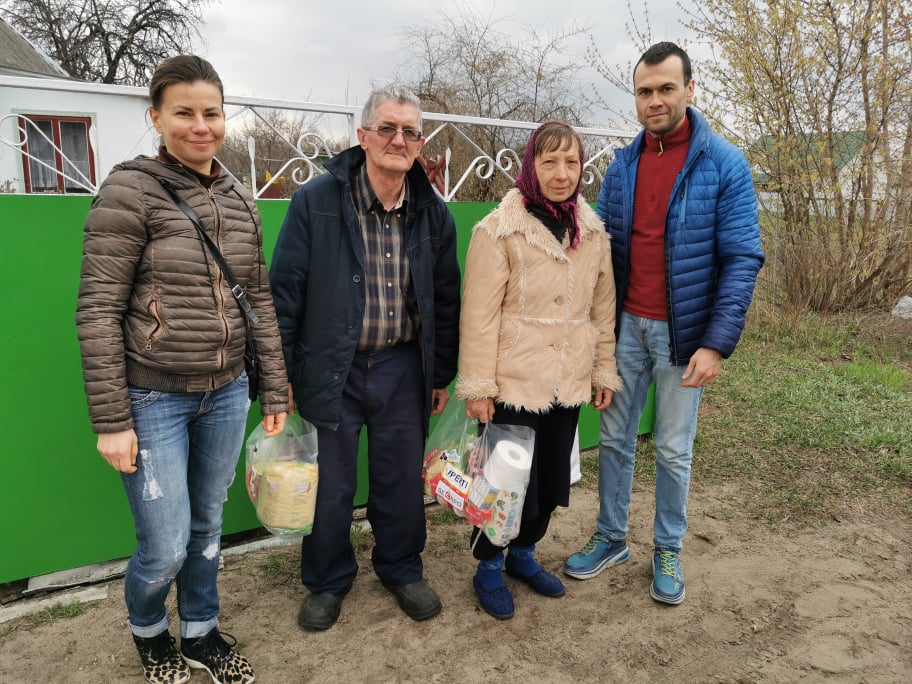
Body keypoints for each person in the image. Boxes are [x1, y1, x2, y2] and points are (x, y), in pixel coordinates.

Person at [75, 55, 288, 684]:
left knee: (208, 528)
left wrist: (273, 385)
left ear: (225, 117)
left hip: (227, 394)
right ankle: (150, 632)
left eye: (212, 113)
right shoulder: (127, 190)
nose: (202, 126)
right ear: (156, 117)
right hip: (152, 399)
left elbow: (261, 303)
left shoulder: (238, 197)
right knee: (164, 545)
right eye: (185, 113)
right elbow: (98, 311)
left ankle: (200, 631)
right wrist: (112, 419)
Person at [564, 42, 765, 605]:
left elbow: (743, 257)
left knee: (673, 449)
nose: (655, 100)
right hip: (627, 328)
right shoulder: (624, 165)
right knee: (615, 440)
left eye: (666, 88)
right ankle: (610, 537)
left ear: (690, 89)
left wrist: (717, 343)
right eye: (645, 91)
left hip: (686, 335)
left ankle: (668, 547)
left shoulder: (723, 163)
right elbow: (597, 248)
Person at [269, 85, 461, 631]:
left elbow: (445, 300)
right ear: (363, 136)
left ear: (420, 144)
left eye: (410, 132)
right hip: (332, 366)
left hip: (403, 368)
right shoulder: (318, 201)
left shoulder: (433, 214)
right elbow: (285, 292)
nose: (398, 140)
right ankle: (327, 581)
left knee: (400, 481)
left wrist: (440, 373)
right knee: (330, 487)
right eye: (387, 128)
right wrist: (279, 376)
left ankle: (401, 567)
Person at [456, 121, 623, 620]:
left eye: (571, 162)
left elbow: (602, 311)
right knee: (503, 487)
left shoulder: (592, 234)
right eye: (549, 161)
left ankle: (523, 556)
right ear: (531, 166)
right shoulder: (498, 230)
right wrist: (479, 387)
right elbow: (479, 315)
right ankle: (488, 565)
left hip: (565, 382)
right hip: (513, 383)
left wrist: (602, 371)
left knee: (550, 482)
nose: (561, 173)